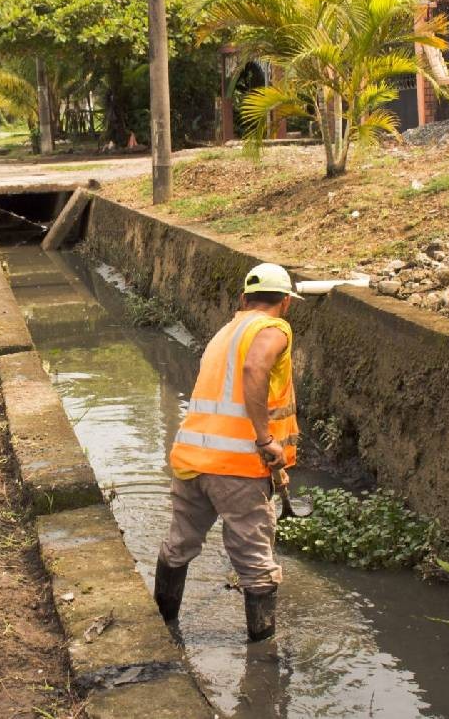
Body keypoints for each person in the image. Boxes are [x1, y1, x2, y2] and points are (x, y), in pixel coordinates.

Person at [154, 263, 303, 642]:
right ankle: (263, 658)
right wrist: (265, 439)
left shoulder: (226, 331)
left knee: (179, 545)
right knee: (255, 563)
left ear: (242, 299)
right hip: (237, 465)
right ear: (286, 302)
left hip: (191, 458)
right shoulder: (273, 328)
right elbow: (255, 367)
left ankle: (161, 627)